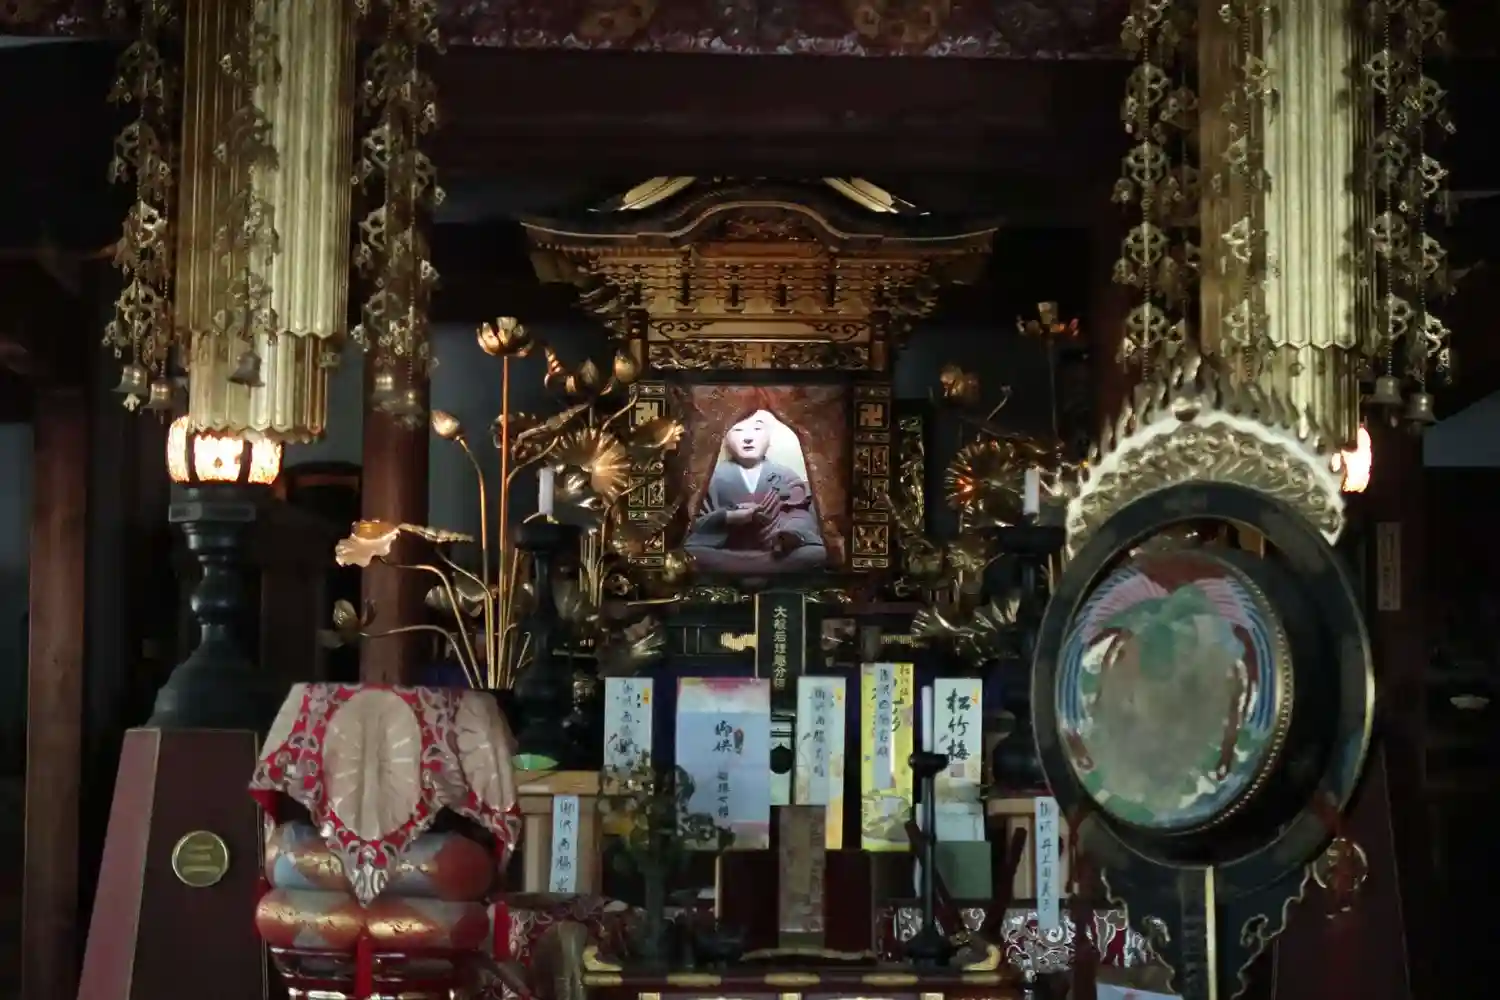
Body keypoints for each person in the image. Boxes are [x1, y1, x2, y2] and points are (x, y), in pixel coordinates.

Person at [683, 409, 828, 575]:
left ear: (769, 438)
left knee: (816, 553)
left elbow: (799, 515)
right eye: (738, 430)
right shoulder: (711, 478)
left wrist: (790, 534)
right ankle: (762, 569)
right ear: (726, 439)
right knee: (690, 552)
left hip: (774, 552)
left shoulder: (785, 476)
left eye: (757, 429)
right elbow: (697, 524)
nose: (748, 438)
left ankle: (748, 570)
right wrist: (729, 517)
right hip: (730, 552)